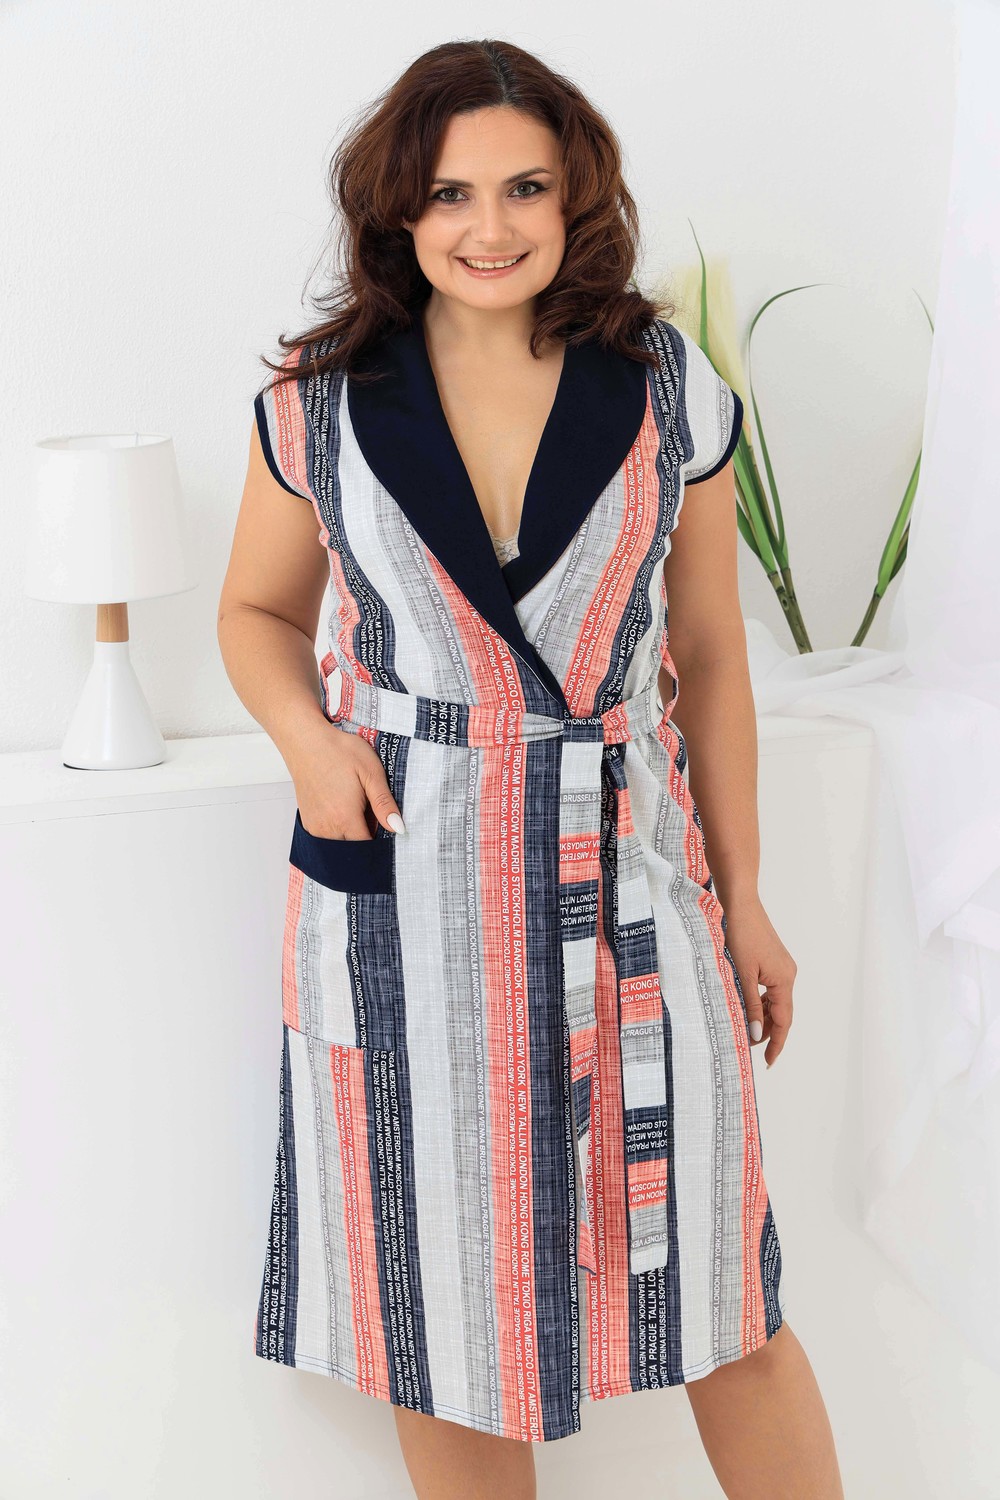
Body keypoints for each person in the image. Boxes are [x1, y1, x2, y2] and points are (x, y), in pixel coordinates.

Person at [218, 37, 843, 1500]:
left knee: (726, 1302)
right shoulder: (316, 401)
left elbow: (713, 653)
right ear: (397, 208)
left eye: (524, 188)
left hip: (634, 888)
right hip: (407, 893)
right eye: (450, 193)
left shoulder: (667, 387)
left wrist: (746, 898)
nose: (488, 227)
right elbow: (252, 614)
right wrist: (310, 744)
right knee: (443, 1314)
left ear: (577, 200)